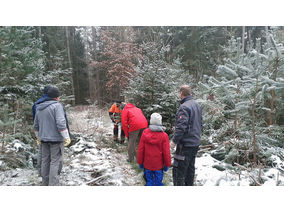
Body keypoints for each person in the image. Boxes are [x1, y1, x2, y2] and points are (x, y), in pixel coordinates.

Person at [34, 86, 71, 186]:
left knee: (45, 161)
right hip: (56, 139)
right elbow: (61, 123)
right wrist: (66, 136)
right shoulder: (57, 106)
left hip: (43, 139)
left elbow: (36, 125)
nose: (59, 98)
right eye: (58, 96)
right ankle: (53, 185)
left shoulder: (39, 107)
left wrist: (38, 137)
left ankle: (45, 183)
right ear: (55, 97)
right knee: (55, 162)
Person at [170, 85, 202, 186]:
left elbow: (181, 127)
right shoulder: (197, 105)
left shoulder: (184, 107)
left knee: (178, 170)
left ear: (181, 93)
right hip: (195, 143)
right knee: (190, 170)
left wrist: (174, 141)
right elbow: (200, 123)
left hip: (185, 145)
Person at [137, 113, 171, 186]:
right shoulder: (164, 136)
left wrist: (140, 162)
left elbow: (141, 149)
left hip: (147, 165)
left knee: (149, 181)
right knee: (158, 182)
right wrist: (167, 164)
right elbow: (166, 152)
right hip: (159, 166)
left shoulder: (145, 133)